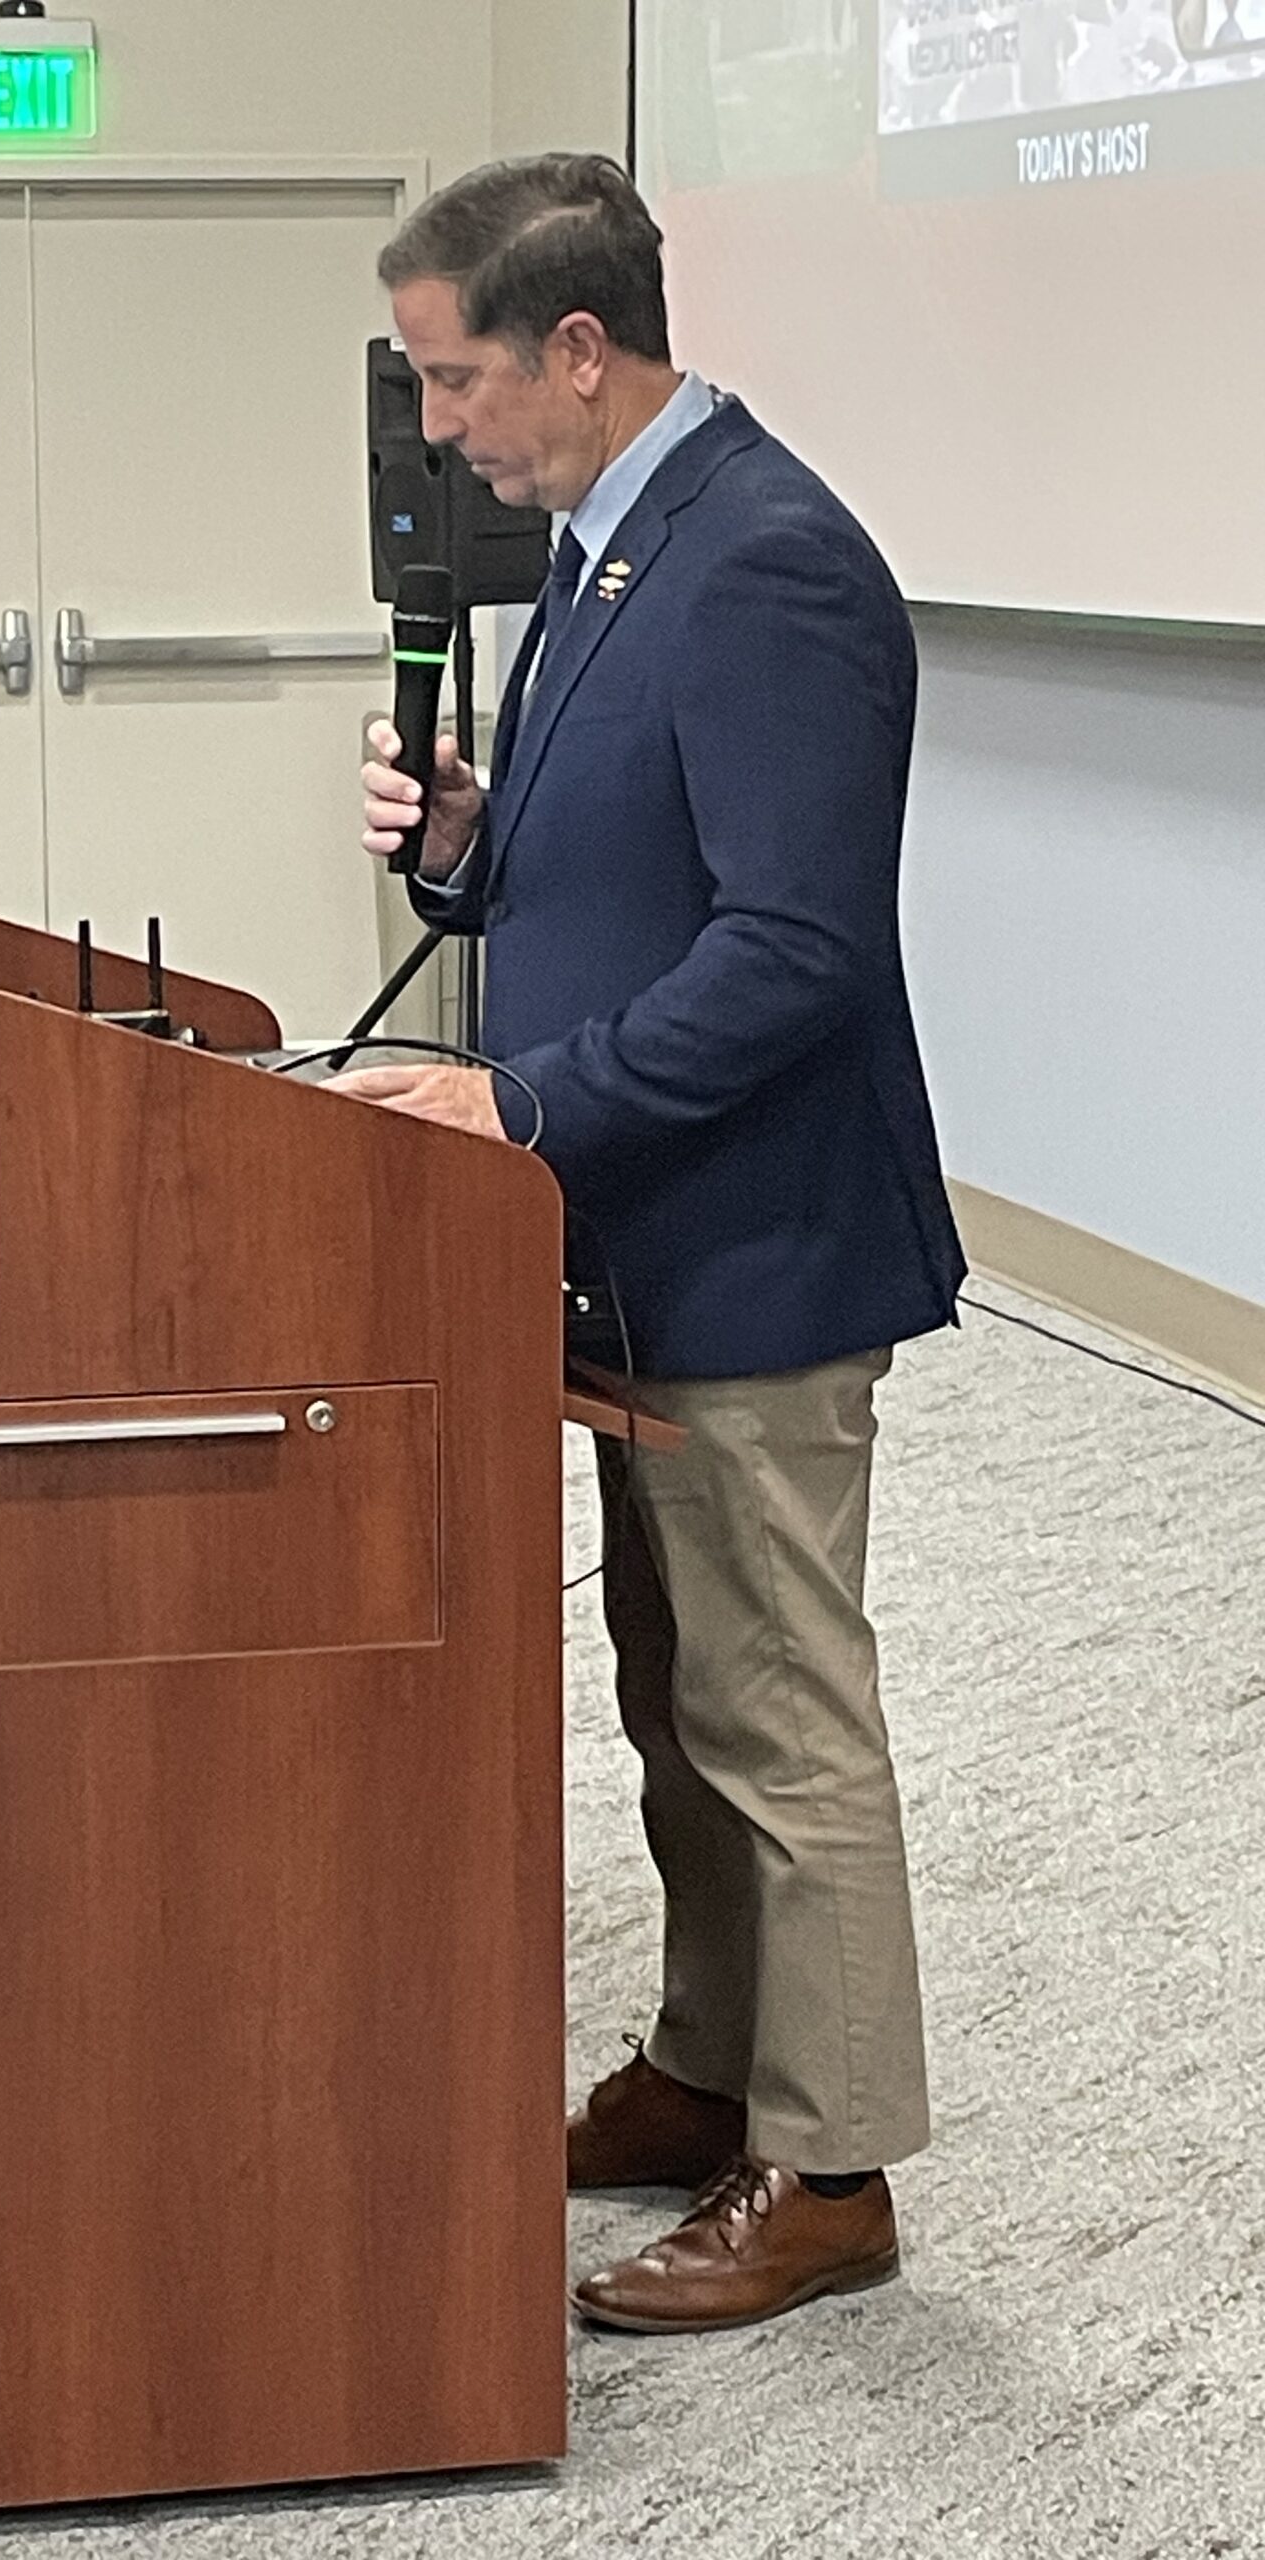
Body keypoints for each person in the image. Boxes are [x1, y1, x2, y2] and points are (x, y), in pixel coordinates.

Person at [342, 154, 966, 2335]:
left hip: (755, 1246)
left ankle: (832, 2167)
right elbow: (615, 874)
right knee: (673, 1687)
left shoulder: (767, 558)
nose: (440, 430)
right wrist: (462, 844)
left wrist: (517, 1105)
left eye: (456, 379)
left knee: (778, 1705)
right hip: (629, 1238)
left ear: (582, 349)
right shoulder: (617, 547)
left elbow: (794, 950)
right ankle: (715, 2068)